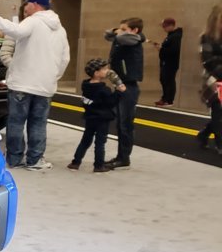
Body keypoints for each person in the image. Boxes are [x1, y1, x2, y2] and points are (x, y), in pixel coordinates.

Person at [0, 0, 70, 171]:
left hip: (23, 83)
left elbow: (16, 31)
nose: (25, 7)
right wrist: (53, 76)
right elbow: (65, 58)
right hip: (45, 86)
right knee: (39, 123)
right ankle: (35, 160)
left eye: (27, 4)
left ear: (34, 5)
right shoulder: (61, 29)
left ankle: (14, 158)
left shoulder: (33, 21)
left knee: (16, 122)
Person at [68, 58, 126, 173]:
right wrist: (119, 92)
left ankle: (75, 162)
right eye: (104, 69)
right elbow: (110, 103)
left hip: (90, 117)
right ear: (96, 73)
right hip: (102, 119)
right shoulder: (103, 89)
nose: (108, 71)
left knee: (85, 140)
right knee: (100, 142)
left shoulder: (86, 86)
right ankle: (99, 165)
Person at [103, 17, 146, 170]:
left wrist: (118, 32)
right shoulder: (122, 38)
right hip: (120, 85)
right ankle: (121, 156)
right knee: (120, 124)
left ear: (135, 30)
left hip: (129, 86)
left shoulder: (133, 40)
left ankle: (124, 158)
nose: (119, 32)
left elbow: (121, 37)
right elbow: (107, 34)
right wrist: (117, 30)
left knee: (125, 124)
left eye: (124, 28)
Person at [197, 5, 222, 154]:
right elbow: (208, 61)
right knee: (218, 113)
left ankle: (204, 134)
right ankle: (220, 144)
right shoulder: (206, 37)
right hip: (213, 80)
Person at [153, 17, 182, 106]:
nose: (164, 29)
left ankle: (169, 99)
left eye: (165, 26)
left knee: (168, 80)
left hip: (171, 62)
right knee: (164, 79)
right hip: (166, 61)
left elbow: (174, 50)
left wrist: (161, 49)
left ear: (172, 26)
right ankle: (165, 97)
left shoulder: (176, 36)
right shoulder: (170, 35)